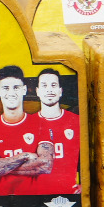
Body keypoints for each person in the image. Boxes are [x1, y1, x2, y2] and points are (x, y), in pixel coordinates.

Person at [0, 66, 54, 195]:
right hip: (1, 202)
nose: (11, 93)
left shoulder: (40, 124)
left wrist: (0, 164)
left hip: (31, 201)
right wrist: (24, 156)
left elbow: (45, 165)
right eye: (5, 88)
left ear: (24, 90)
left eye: (16, 87)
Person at [30, 67, 80, 195]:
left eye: (53, 85)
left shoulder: (76, 121)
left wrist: (86, 185)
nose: (49, 90)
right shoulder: (29, 123)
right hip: (38, 195)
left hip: (70, 194)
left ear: (60, 91)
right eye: (44, 85)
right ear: (38, 91)